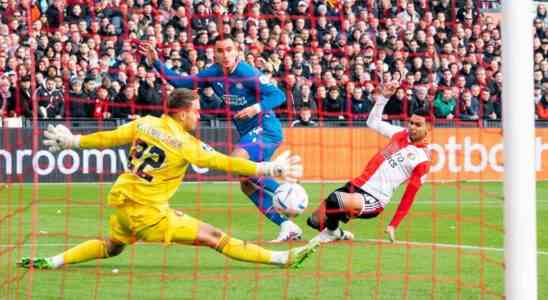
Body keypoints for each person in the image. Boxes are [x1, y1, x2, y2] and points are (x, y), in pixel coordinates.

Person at [18, 88, 318, 270]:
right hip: (149, 214)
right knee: (214, 237)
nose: (199, 116)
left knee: (112, 246)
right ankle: (282, 259)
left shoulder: (144, 123)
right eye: (196, 112)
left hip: (124, 204)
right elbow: (222, 161)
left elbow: (108, 138)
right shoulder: (184, 143)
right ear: (182, 113)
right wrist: (268, 169)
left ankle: (53, 261)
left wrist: (74, 142)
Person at [140, 36, 303, 242]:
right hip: (248, 133)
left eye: (229, 50)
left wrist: (256, 107)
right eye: (220, 51)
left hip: (266, 128)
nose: (225, 55)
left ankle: (287, 191)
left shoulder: (247, 73)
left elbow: (278, 95)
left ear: (237, 51)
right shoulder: (213, 73)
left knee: (237, 161)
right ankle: (287, 226)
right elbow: (182, 83)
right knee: (246, 183)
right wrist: (156, 62)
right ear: (214, 53)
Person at [306, 84, 431, 243]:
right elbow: (372, 122)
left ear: (429, 128)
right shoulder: (400, 134)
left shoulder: (422, 159)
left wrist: (393, 224)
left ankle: (331, 232)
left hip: (374, 198)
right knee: (314, 221)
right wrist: (383, 98)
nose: (412, 127)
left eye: (417, 125)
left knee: (334, 199)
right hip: (357, 185)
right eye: (411, 123)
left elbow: (409, 195)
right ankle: (338, 233)